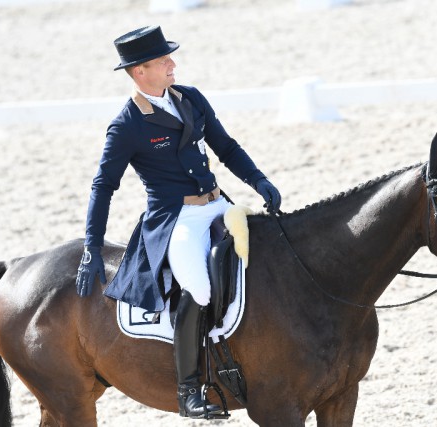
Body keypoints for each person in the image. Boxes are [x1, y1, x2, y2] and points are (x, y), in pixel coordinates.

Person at [75, 25, 281, 419]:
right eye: (163, 60)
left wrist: (258, 180)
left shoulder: (190, 98)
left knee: (272, 253)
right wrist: (92, 245)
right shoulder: (128, 125)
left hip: (219, 204)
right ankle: (188, 389)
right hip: (177, 218)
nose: (173, 64)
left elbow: (226, 146)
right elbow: (103, 186)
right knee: (199, 288)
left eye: (171, 58)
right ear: (140, 72)